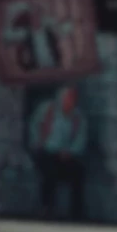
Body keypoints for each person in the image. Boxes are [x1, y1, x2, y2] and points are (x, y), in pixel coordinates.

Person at [28, 83, 90, 221]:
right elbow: (34, 127)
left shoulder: (78, 117)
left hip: (65, 154)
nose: (71, 101)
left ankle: (76, 213)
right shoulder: (47, 110)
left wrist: (70, 151)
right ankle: (46, 208)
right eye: (69, 97)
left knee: (79, 171)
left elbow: (80, 140)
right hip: (45, 151)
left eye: (73, 98)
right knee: (49, 169)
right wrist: (38, 144)